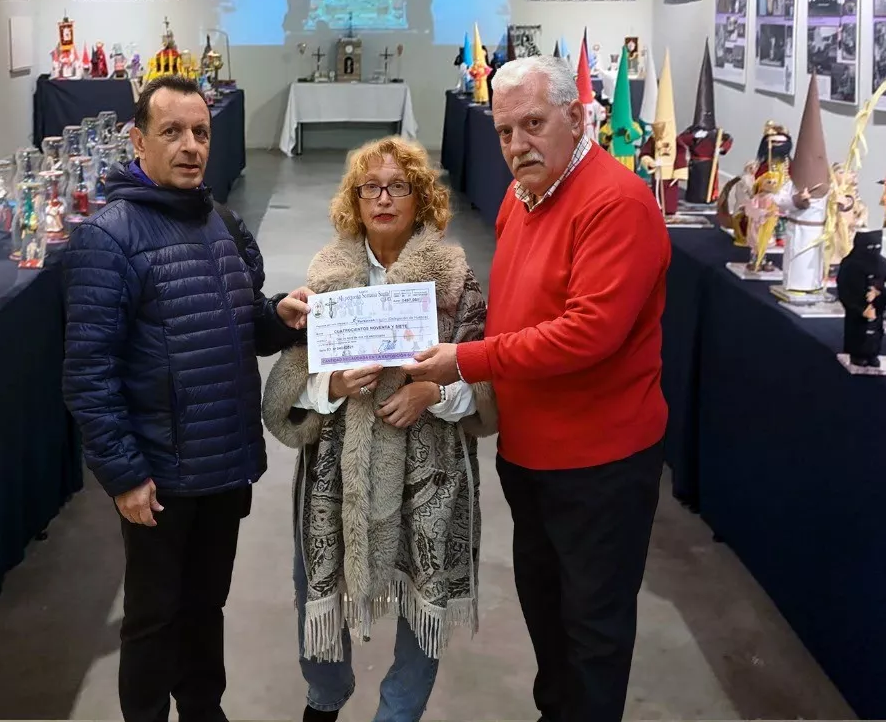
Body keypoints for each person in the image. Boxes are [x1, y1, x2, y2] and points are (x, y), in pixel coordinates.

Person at [408, 55, 670, 722]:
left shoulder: (617, 203)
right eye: (503, 132)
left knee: (592, 631)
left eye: (533, 124)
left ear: (577, 117)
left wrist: (466, 360)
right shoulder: (525, 195)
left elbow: (588, 334)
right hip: (532, 456)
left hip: (599, 465)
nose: (517, 146)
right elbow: (514, 304)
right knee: (550, 617)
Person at [63, 76, 309, 722]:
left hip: (223, 465)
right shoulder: (108, 238)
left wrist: (280, 316)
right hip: (160, 475)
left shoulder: (222, 222)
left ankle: (204, 709)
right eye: (172, 132)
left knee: (205, 607)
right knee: (153, 617)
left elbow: (241, 323)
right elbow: (88, 373)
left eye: (200, 132)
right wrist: (124, 474)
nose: (191, 145)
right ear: (137, 140)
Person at [262, 137, 496, 722]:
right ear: (355, 200)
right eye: (371, 187)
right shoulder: (328, 277)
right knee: (316, 577)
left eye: (399, 186)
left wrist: (433, 392)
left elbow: (485, 383)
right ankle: (325, 695)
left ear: (421, 198)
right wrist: (330, 388)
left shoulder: (455, 279)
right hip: (338, 466)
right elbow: (294, 379)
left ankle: (400, 711)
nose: (384, 198)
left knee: (425, 585)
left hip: (429, 466)